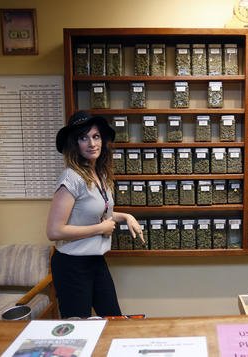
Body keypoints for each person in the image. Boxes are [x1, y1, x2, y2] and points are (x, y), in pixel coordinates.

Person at [46, 110, 144, 318]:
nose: (92, 143)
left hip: (95, 261)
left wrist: (126, 216)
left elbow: (99, 212)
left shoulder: (98, 173)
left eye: (96, 136)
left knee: (113, 319)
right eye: (84, 138)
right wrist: (100, 228)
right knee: (78, 329)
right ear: (75, 144)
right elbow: (54, 230)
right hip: (71, 265)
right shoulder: (71, 178)